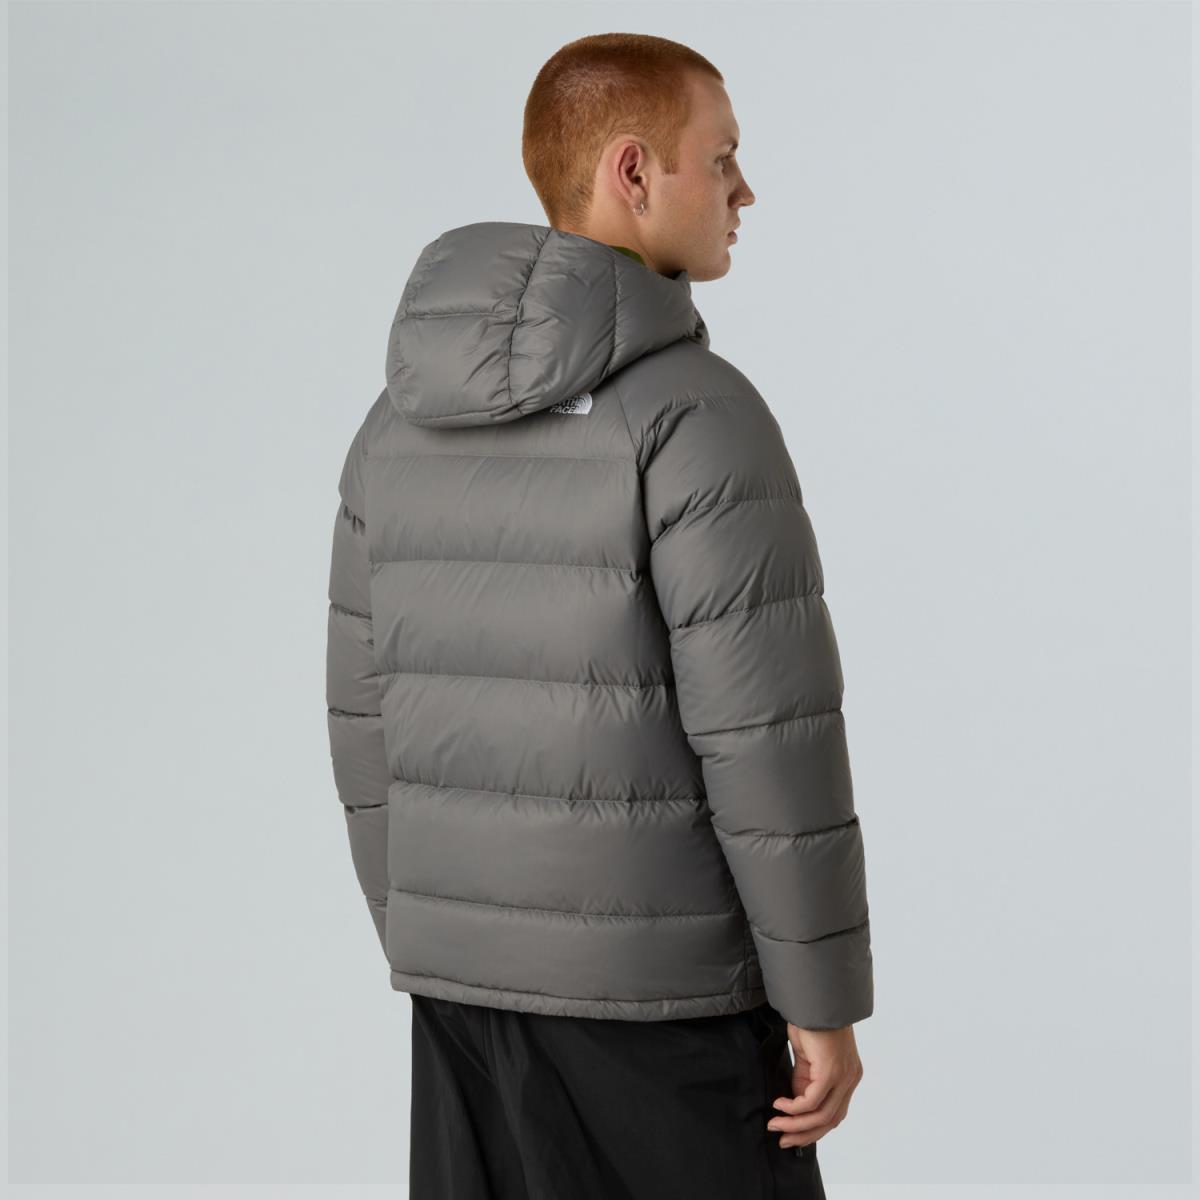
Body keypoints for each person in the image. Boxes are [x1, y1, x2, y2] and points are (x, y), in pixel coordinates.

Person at [325, 32, 873, 1199]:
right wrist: (821, 1001)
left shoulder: (395, 425)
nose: (744, 190)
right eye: (719, 159)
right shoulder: (695, 416)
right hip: (665, 1006)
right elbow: (766, 736)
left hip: (464, 1007)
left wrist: (438, 932)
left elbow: (363, 719)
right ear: (634, 171)